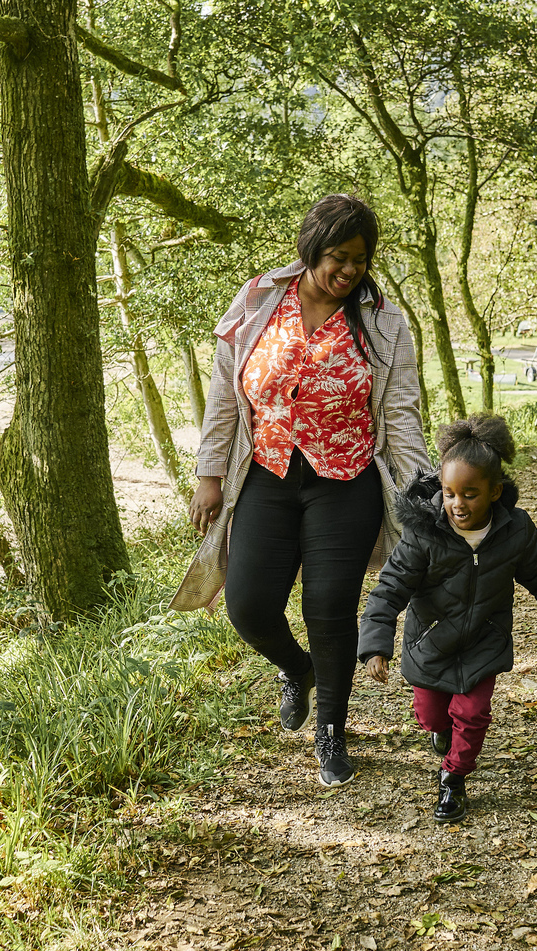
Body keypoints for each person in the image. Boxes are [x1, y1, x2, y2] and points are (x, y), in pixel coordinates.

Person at [171, 194, 429, 787]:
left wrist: (421, 491)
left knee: (329, 609)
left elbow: (401, 412)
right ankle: (299, 668)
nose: (348, 271)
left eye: (360, 260)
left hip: (346, 481)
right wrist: (208, 475)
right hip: (268, 472)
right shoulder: (258, 300)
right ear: (309, 249)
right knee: (248, 604)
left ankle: (332, 732)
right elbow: (225, 396)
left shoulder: (385, 319)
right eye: (337, 257)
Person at [357, 415, 537, 824]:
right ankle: (441, 734)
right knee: (431, 715)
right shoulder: (424, 534)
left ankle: (453, 778)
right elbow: (390, 587)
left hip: (484, 642)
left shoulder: (515, 531)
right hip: (429, 643)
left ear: (494, 492)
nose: (457, 504)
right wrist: (375, 644)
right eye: (450, 493)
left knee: (472, 715)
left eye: (470, 494)